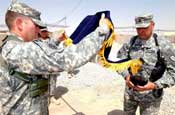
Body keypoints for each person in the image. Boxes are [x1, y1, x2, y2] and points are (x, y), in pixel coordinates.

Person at [0, 2, 111, 115]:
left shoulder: (14, 46)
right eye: (36, 25)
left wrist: (55, 40)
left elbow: (43, 54)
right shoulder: (20, 50)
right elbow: (68, 58)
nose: (38, 30)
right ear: (19, 24)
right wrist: (102, 31)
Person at [117, 13, 175, 115]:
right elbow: (120, 62)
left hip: (151, 97)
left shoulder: (163, 45)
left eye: (144, 27)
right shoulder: (131, 42)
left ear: (152, 25)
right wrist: (126, 76)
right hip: (130, 93)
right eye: (138, 28)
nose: (141, 31)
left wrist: (154, 85)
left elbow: (173, 72)